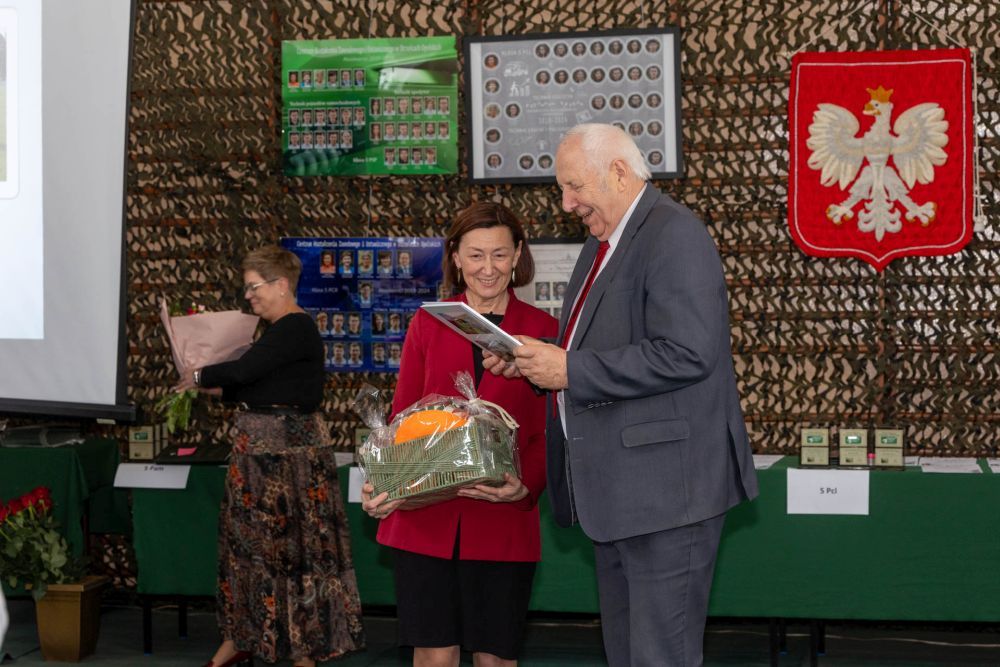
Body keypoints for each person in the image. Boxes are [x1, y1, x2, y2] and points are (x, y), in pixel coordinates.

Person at [485, 124, 758, 666]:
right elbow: (596, 347)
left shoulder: (674, 234)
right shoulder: (602, 243)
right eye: (562, 190)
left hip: (667, 496)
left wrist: (569, 368)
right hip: (619, 495)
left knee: (660, 656)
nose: (567, 203)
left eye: (574, 186)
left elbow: (687, 352)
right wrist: (535, 363)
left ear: (617, 172)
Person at [362, 202, 557, 667]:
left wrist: (526, 486)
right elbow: (402, 418)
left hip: (502, 518)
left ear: (518, 255)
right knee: (433, 655)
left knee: (495, 658)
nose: (488, 268)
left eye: (499, 254)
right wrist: (384, 483)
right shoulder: (428, 322)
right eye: (475, 255)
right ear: (455, 256)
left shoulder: (544, 332)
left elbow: (556, 429)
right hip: (425, 520)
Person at [176, 246, 364, 667]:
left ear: (281, 285)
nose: (248, 297)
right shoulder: (278, 332)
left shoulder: (294, 327)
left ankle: (301, 650)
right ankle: (242, 637)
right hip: (259, 458)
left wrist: (197, 374)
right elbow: (259, 385)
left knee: (291, 553)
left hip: (286, 461)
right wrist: (217, 387)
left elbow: (244, 371)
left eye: (253, 287)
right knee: (250, 552)